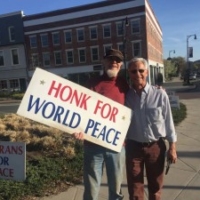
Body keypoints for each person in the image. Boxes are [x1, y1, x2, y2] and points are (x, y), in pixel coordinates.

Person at [74, 49, 130, 200]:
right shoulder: (92, 83)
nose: (114, 62)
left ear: (121, 65)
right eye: (110, 59)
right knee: (91, 190)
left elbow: (140, 95)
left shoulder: (125, 84)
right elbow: (80, 110)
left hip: (116, 146)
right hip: (93, 145)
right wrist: (78, 129)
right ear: (103, 62)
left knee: (116, 190)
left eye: (117, 60)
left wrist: (157, 90)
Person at [125, 57, 177, 200]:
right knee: (135, 190)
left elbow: (168, 121)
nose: (137, 74)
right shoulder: (126, 96)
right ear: (129, 73)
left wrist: (172, 147)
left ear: (147, 72)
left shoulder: (160, 94)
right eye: (133, 71)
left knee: (155, 188)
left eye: (141, 70)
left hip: (155, 147)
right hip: (133, 148)